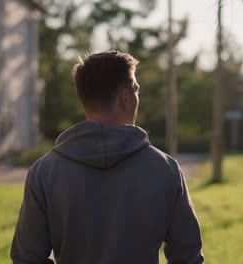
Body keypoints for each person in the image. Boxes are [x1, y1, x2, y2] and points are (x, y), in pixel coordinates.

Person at [11, 51, 204, 264]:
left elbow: (27, 258)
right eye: (136, 90)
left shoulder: (44, 172)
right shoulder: (165, 169)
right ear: (125, 98)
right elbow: (187, 257)